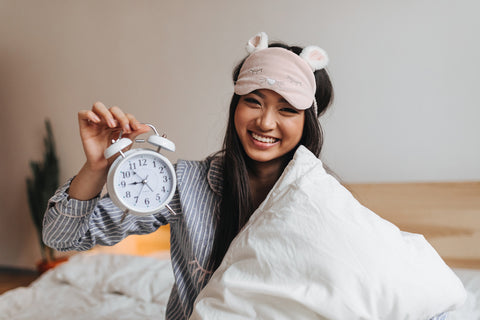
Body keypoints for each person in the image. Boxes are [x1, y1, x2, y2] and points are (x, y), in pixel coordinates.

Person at [42, 32, 446, 320]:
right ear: (236, 106)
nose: (266, 121)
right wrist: (97, 166)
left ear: (308, 122)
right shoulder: (185, 184)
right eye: (253, 102)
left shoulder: (322, 200)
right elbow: (60, 237)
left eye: (287, 110)